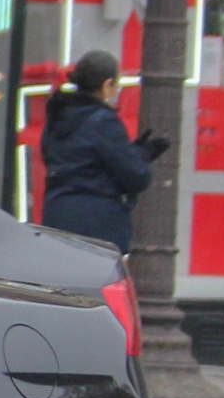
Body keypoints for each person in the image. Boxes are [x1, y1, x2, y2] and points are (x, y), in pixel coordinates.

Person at [39, 49, 169, 253]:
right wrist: (140, 157)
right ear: (107, 85)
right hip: (96, 225)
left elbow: (59, 157)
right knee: (95, 283)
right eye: (116, 84)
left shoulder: (59, 114)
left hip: (57, 214)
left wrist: (134, 154)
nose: (117, 90)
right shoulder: (103, 121)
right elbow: (137, 176)